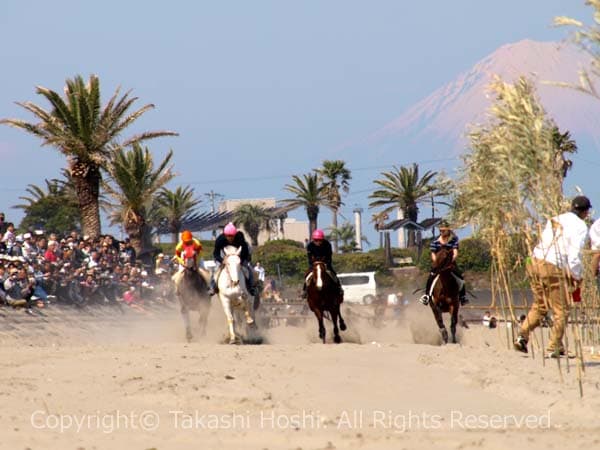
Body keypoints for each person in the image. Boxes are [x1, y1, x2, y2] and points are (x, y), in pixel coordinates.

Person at [514, 195, 591, 357]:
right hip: (552, 266)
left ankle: (522, 335)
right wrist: (577, 276)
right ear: (585, 212)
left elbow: (546, 240)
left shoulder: (555, 219)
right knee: (561, 310)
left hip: (534, 261)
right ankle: (553, 346)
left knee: (540, 305)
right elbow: (574, 255)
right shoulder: (581, 226)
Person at [419, 219, 467, 306]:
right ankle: (427, 296)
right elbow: (433, 254)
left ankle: (463, 297)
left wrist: (450, 261)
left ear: (448, 230)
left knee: (460, 278)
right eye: (440, 230)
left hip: (450, 263)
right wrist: (437, 262)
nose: (442, 232)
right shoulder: (435, 241)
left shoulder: (454, 239)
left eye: (443, 230)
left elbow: (455, 253)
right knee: (431, 277)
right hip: (438, 264)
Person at [209, 222, 256, 296]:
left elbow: (245, 252)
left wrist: (240, 260)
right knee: (216, 269)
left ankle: (251, 287)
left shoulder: (240, 237)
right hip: (224, 256)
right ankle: (212, 287)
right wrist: (222, 260)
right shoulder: (220, 240)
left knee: (248, 269)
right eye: (228, 236)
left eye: (232, 236)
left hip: (238, 256)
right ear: (224, 235)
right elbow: (216, 254)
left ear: (235, 234)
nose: (230, 238)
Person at [301, 229, 344, 300]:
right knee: (307, 275)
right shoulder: (310, 246)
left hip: (325, 263)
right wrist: (312, 264)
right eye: (316, 240)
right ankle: (304, 290)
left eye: (319, 240)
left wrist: (326, 264)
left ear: (322, 239)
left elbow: (329, 256)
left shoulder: (327, 245)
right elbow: (309, 258)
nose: (318, 242)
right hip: (314, 264)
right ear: (313, 239)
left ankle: (339, 288)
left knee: (334, 274)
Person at [172, 230, 204, 295]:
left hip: (197, 257)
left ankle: (209, 287)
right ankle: (177, 289)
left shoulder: (196, 243)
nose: (188, 242)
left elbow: (200, 253)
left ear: (191, 239)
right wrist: (183, 263)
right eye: (186, 241)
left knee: (203, 271)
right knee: (179, 274)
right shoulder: (179, 246)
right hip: (184, 259)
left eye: (189, 241)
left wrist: (196, 262)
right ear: (183, 240)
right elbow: (178, 256)